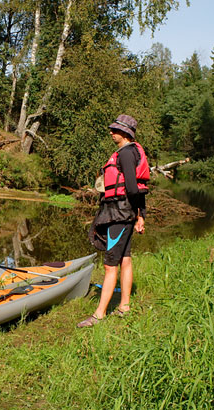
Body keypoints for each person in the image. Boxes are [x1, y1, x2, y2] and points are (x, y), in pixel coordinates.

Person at [78, 114, 148, 328]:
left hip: (118, 213)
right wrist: (140, 215)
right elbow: (137, 188)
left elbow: (133, 188)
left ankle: (99, 314)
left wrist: (138, 213)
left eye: (115, 130)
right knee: (125, 260)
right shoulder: (132, 151)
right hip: (126, 213)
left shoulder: (126, 153)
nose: (111, 132)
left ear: (126, 132)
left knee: (110, 266)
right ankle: (124, 306)